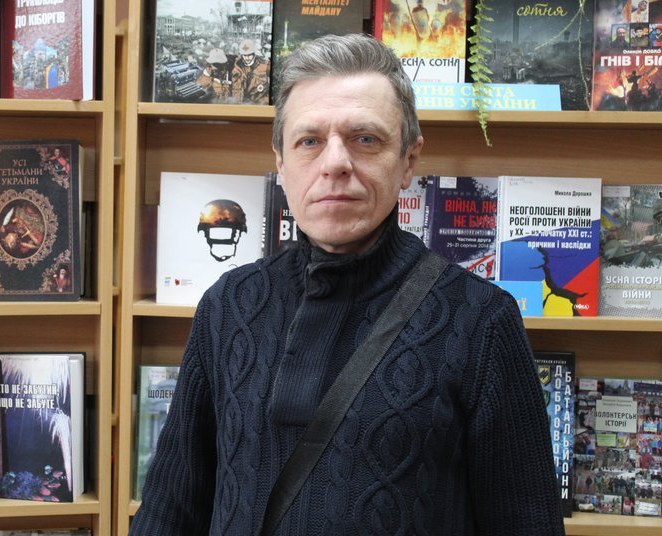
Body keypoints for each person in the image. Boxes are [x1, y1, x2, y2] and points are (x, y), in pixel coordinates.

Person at [130, 34, 564, 535]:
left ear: (408, 161)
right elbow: (170, 509)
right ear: (281, 163)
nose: (335, 162)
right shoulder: (227, 305)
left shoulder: (481, 321)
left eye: (365, 139)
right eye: (309, 141)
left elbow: (527, 523)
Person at [231, 39, 269, 104]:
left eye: (249, 55)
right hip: (245, 103)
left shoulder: (265, 65)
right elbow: (236, 90)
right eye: (244, 55)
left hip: (261, 102)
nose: (247, 58)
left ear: (254, 54)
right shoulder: (238, 69)